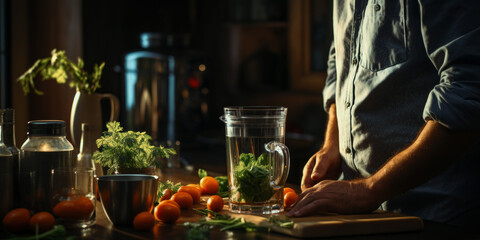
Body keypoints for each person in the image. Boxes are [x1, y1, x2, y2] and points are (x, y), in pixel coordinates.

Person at [287, 0, 480, 229]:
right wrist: (332, 144)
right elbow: (339, 62)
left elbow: (469, 90)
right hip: (355, 213)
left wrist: (367, 191)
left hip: (434, 216)